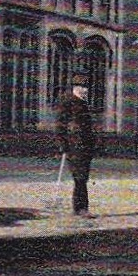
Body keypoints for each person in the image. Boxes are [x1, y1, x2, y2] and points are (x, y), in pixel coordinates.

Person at [56, 83, 97, 218]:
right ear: (76, 88)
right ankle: (81, 208)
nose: (86, 90)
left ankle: (79, 207)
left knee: (82, 176)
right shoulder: (68, 102)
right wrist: (63, 144)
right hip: (74, 145)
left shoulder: (83, 103)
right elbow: (60, 125)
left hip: (85, 146)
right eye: (83, 87)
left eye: (86, 87)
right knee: (80, 176)